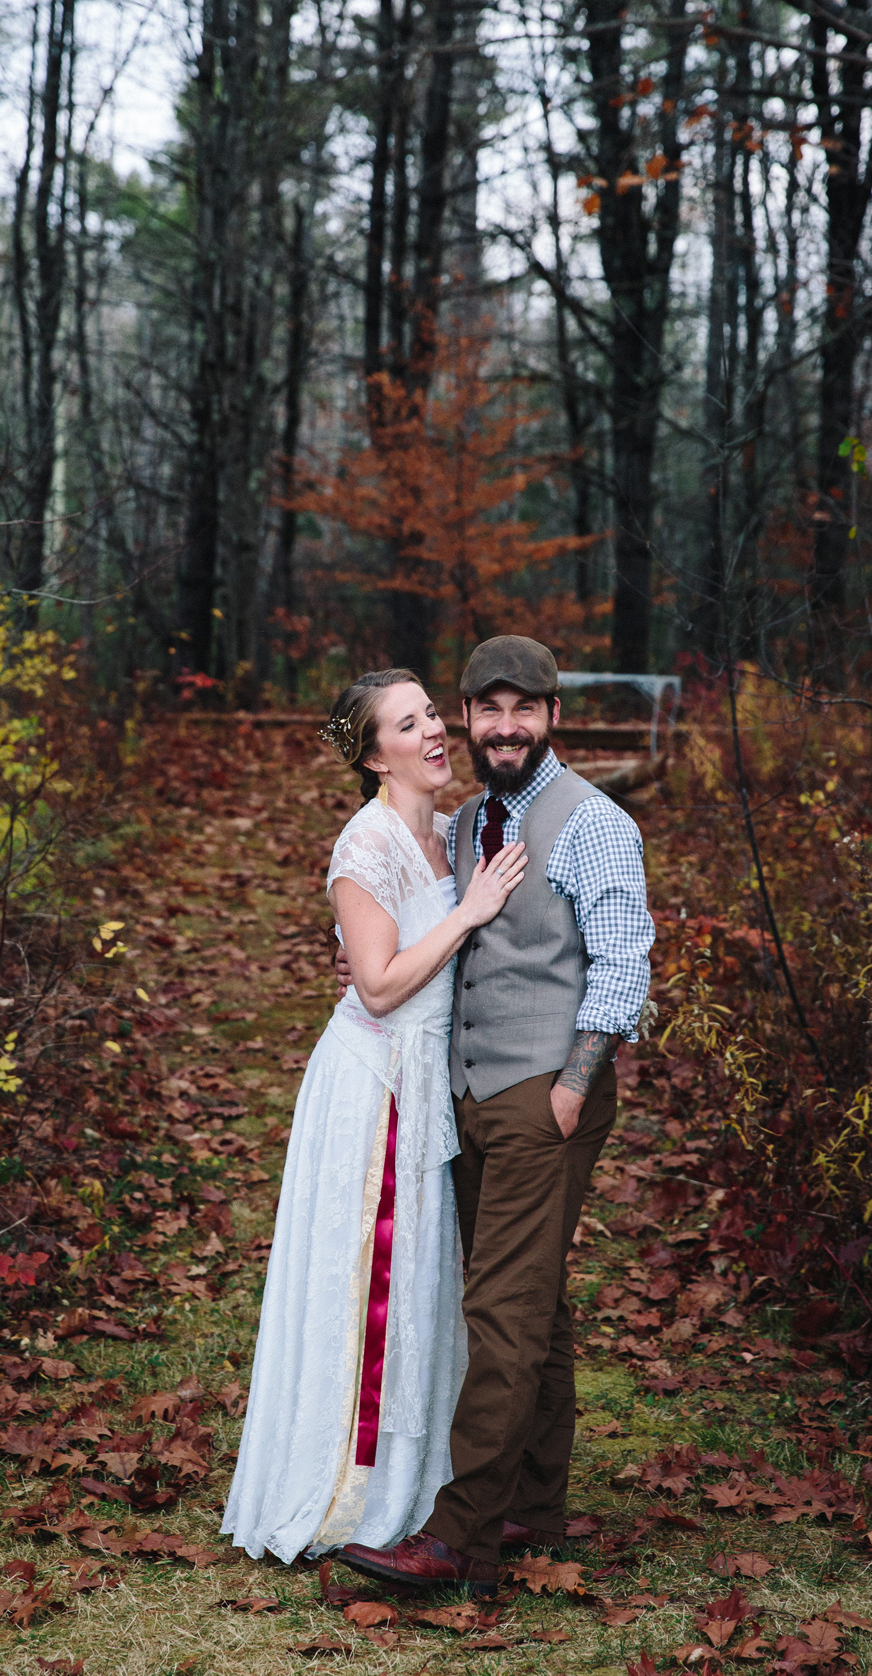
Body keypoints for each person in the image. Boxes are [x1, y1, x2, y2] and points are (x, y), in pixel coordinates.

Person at [335, 636, 654, 1599]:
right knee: (534, 1303)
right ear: (469, 720)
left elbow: (625, 962)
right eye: (487, 709)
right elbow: (440, 934)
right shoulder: (469, 817)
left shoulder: (593, 820)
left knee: (502, 1310)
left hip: (543, 1093)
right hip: (472, 1091)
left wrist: (568, 1086)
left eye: (525, 709)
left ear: (554, 715)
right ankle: (533, 1505)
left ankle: (457, 1537)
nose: (504, 726)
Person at [221, 668, 528, 1564]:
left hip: (430, 1081)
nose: (435, 730)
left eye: (434, 712)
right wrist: (469, 914)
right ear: (371, 754)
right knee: (372, 1285)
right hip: (375, 1092)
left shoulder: (449, 829)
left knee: (430, 1279)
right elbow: (383, 984)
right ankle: (347, 1494)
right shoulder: (366, 847)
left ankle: (426, 1480)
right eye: (409, 722)